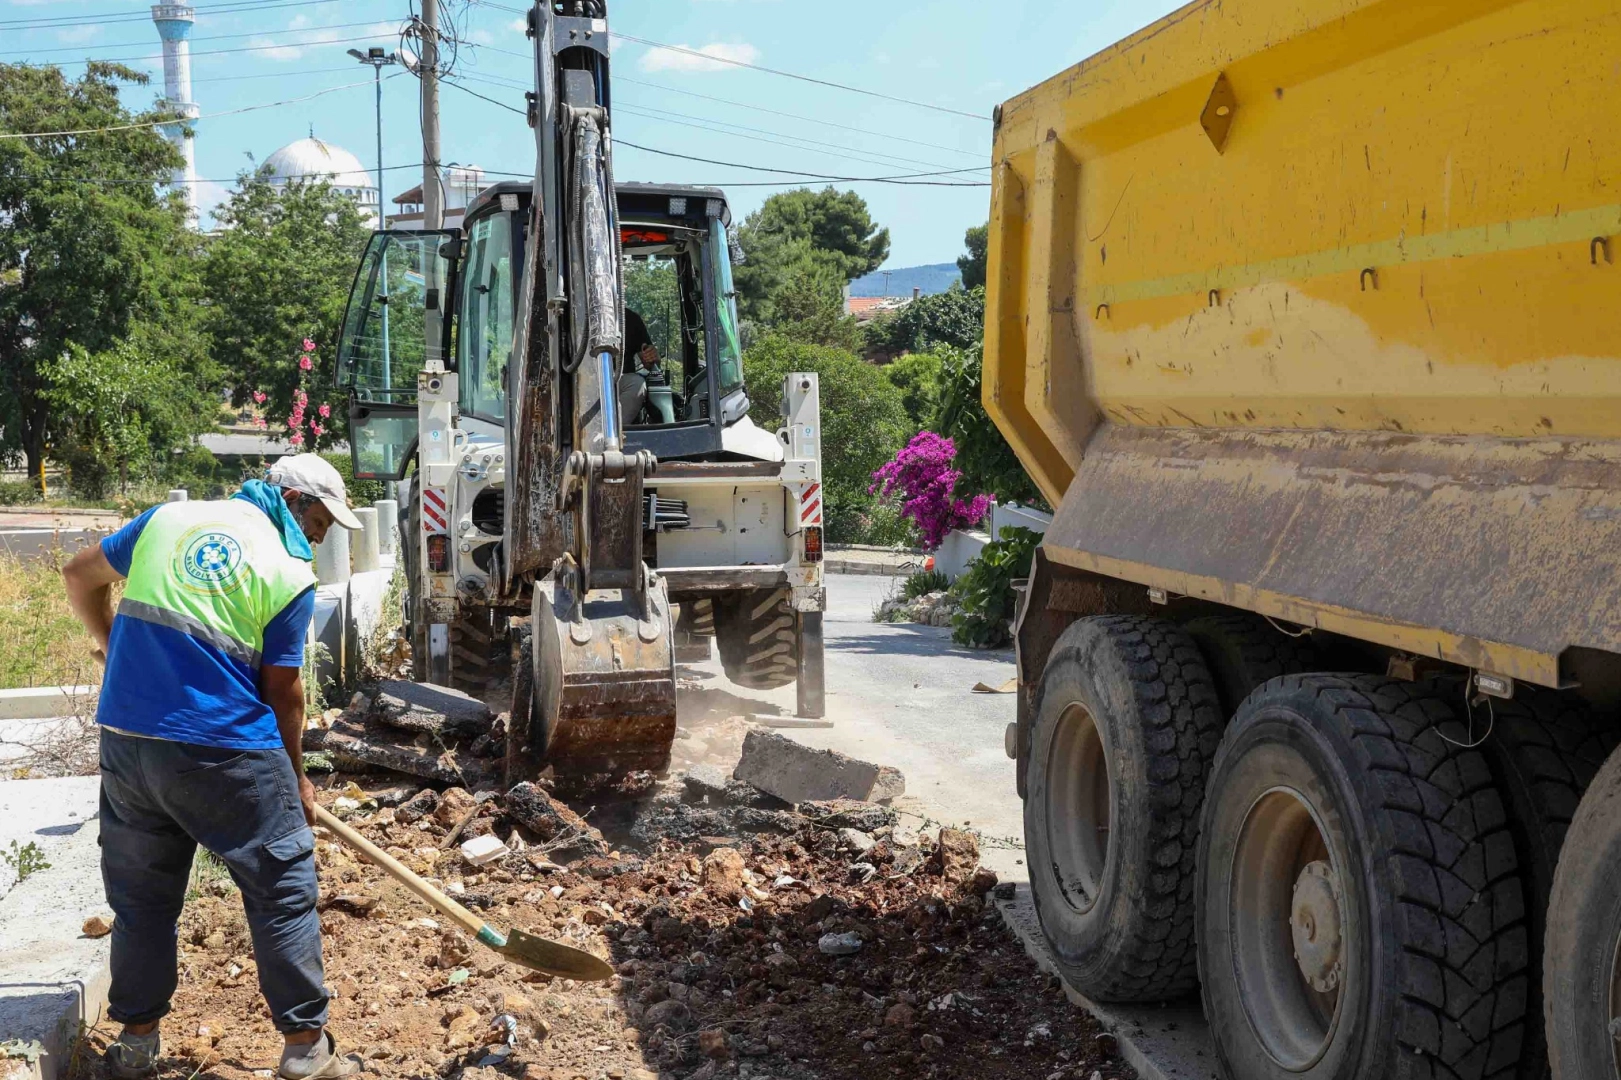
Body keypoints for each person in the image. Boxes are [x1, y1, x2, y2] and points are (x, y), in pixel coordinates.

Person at [61, 455, 364, 1080]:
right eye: (318, 519)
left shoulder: (165, 519)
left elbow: (77, 574)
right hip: (225, 749)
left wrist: (113, 639)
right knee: (281, 886)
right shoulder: (286, 572)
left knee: (141, 899)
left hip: (128, 741)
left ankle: (136, 1043)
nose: (320, 535)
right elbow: (284, 693)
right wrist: (297, 778)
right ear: (287, 497)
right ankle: (307, 1047)